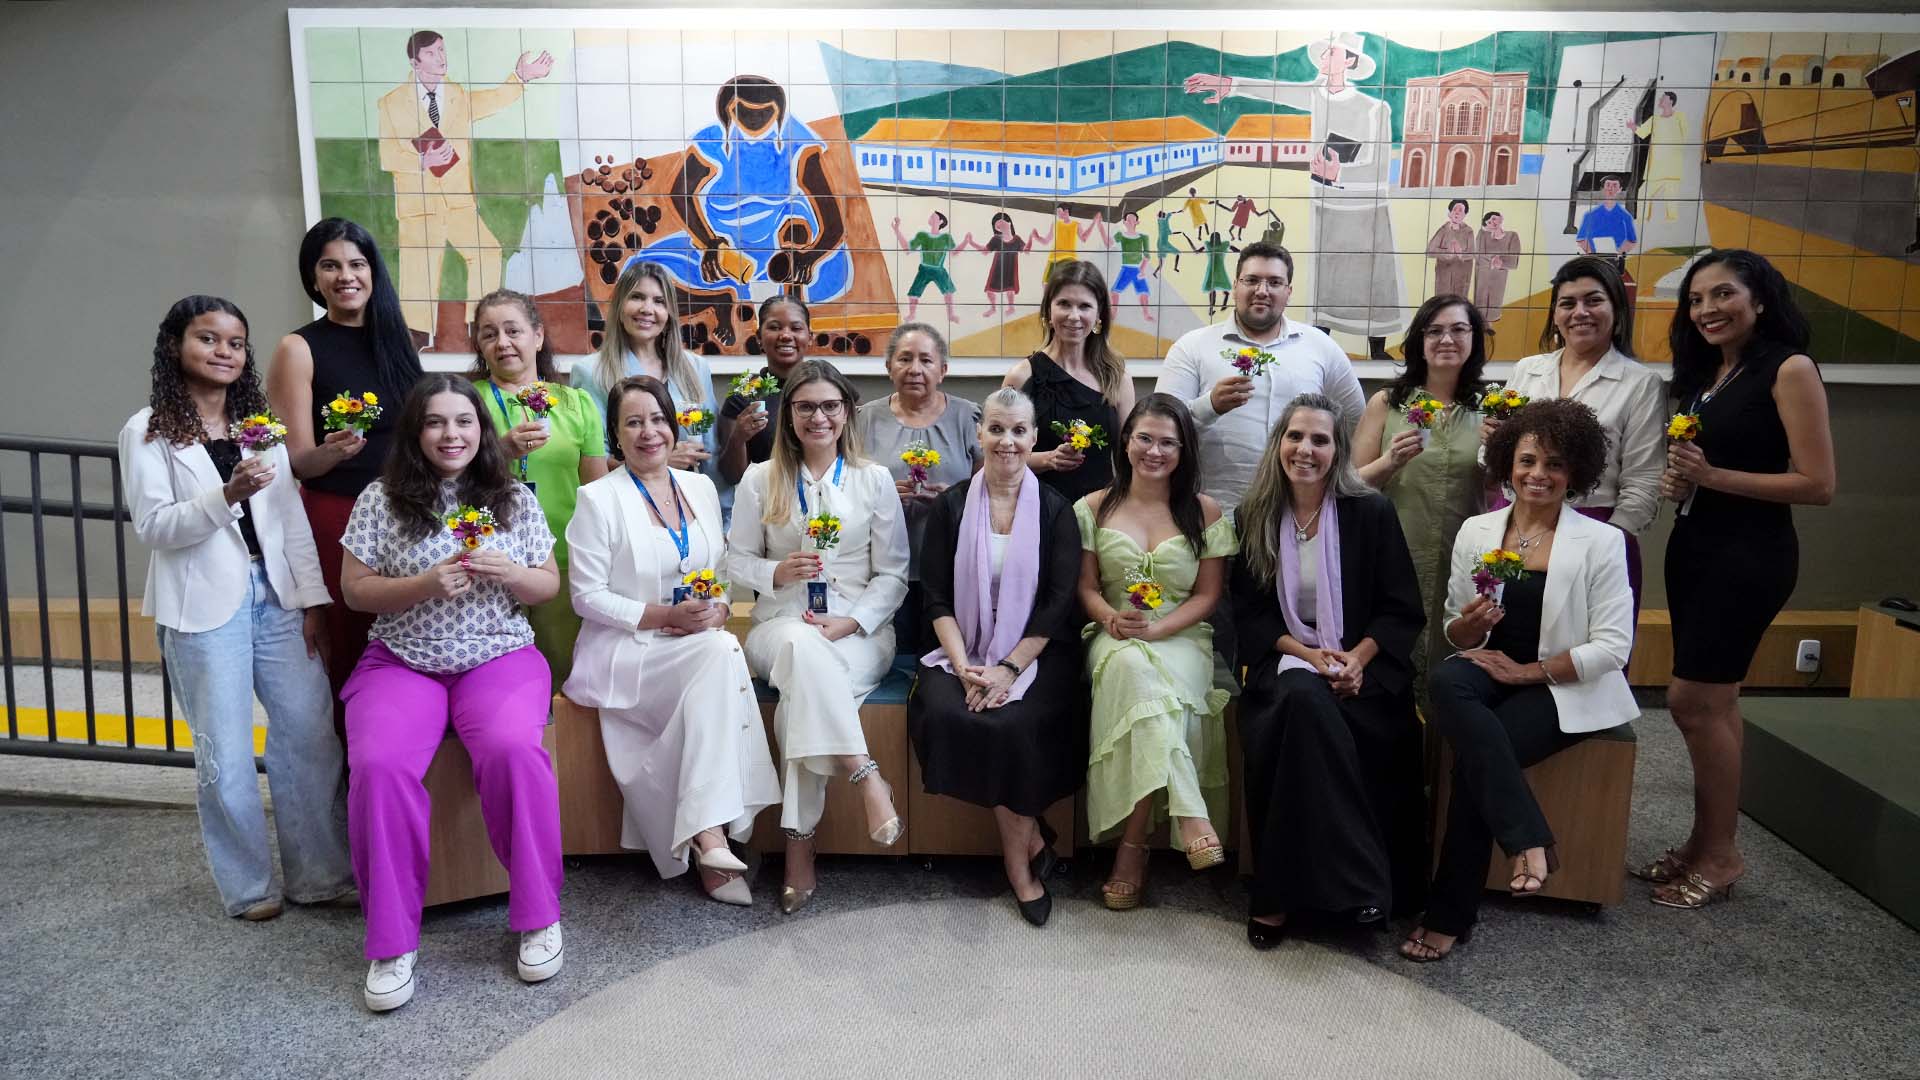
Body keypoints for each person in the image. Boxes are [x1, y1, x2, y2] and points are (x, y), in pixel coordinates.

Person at [120, 295, 354, 922]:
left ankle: (321, 876)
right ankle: (250, 887)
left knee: (310, 734)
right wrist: (227, 495)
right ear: (176, 346)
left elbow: (290, 523)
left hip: (276, 596)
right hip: (203, 608)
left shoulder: (263, 429)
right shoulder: (148, 430)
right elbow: (154, 527)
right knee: (222, 748)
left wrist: (312, 602)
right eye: (208, 339)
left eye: (235, 343)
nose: (224, 352)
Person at [338, 375, 565, 1011]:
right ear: (416, 432)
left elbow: (546, 585)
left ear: (481, 430)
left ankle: (539, 914)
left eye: (463, 421)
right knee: (379, 765)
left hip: (497, 652)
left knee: (513, 750)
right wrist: (423, 585)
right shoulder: (380, 500)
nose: (451, 434)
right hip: (402, 658)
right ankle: (390, 942)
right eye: (436, 422)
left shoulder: (512, 498)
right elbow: (356, 590)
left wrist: (512, 573)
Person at [1402, 398, 1637, 961]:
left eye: (1555, 464)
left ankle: (1449, 914)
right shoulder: (1477, 531)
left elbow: (1613, 647)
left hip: (1563, 686)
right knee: (1446, 681)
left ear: (1575, 472)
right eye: (1528, 460)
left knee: (1479, 757)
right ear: (1507, 463)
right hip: (1488, 671)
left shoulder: (1602, 543)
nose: (1539, 474)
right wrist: (1468, 626)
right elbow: (1457, 633)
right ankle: (1528, 835)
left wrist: (1529, 671)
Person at [1644, 250, 1834, 910]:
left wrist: (1711, 477)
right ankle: (1703, 843)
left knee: (1692, 702)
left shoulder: (1788, 368)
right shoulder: (1708, 378)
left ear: (1760, 299)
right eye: (1696, 300)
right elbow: (1707, 465)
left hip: (1748, 556)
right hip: (1697, 546)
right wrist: (1683, 480)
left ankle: (1722, 854)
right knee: (1714, 705)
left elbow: (1818, 484)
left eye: (1723, 295)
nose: (1707, 310)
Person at [563, 376, 780, 906]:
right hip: (627, 648)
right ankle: (714, 835)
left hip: (693, 643)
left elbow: (722, 571)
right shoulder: (597, 498)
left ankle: (707, 838)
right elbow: (586, 597)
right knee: (724, 654)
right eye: (633, 422)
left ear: (673, 424)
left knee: (721, 648)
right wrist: (665, 616)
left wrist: (722, 607)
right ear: (615, 434)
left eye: (657, 419)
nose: (648, 432)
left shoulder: (701, 488)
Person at [1231, 394, 1426, 949]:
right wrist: (1312, 656)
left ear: (1337, 450)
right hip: (1288, 660)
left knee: (1314, 719)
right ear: (1278, 445)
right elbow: (1250, 614)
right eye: (1295, 437)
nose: (1306, 449)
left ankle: (1276, 897)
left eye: (1320, 439)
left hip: (1365, 666)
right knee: (1303, 701)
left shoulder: (1370, 511)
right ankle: (1361, 882)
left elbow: (1399, 607)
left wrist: (1357, 661)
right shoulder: (1255, 515)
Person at [725, 361, 910, 914]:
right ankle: (863, 770)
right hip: (779, 627)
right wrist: (774, 574)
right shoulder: (761, 478)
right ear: (790, 415)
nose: (819, 417)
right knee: (804, 653)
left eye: (830, 405)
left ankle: (797, 848)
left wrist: (853, 622)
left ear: (847, 411)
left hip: (859, 630)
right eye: (805, 406)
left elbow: (894, 573)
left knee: (802, 694)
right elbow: (735, 562)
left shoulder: (873, 479)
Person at [909, 387, 1087, 927]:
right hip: (960, 644)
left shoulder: (1057, 511)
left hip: (1038, 653)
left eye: (1018, 431)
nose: (1006, 441)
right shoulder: (952, 504)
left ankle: (1017, 860)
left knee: (1013, 722)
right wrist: (965, 666)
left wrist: (1009, 667)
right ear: (979, 435)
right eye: (995, 429)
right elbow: (935, 595)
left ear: (1034, 438)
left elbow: (1058, 606)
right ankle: (1029, 838)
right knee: (949, 711)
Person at [1075, 395, 1237, 910]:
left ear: (1184, 450)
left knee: (1152, 692)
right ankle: (1191, 815)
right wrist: (1109, 619)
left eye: (1169, 442)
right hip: (1115, 633)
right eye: (1145, 438)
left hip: (1182, 637)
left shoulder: (1204, 511)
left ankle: (1132, 847)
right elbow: (1086, 588)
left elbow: (1209, 596)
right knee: (1134, 674)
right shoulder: (1094, 506)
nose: (1155, 450)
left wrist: (1162, 627)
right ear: (1126, 442)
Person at [267, 218, 423, 719]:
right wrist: (332, 452)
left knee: (412, 633)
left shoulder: (400, 343)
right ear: (313, 279)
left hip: (405, 513)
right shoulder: (298, 348)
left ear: (373, 272)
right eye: (329, 265)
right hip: (339, 514)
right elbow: (297, 461)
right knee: (349, 640)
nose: (345, 275)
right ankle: (351, 775)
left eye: (357, 264)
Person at [1185, 32, 1409, 359]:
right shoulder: (1316, 97)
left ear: (1350, 61)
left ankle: (1376, 350)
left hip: (1367, 210)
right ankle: (1322, 348)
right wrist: (1230, 83)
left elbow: (1379, 166)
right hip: (1327, 206)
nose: (1324, 59)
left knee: (1370, 284)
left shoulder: (1375, 109)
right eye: (1324, 53)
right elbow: (1275, 90)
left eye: (1332, 53)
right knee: (1327, 285)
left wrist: (1340, 173)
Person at [1495, 255, 1664, 621]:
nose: (1580, 312)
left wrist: (1605, 546)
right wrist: (1492, 444)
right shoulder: (1527, 371)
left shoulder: (1640, 384)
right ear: (1555, 315)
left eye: (1594, 300)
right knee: (1502, 642)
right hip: (1514, 528)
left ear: (1617, 310)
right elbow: (1494, 460)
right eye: (1568, 303)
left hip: (1597, 531)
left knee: (1583, 659)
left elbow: (1644, 482)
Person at [1155, 241, 1365, 515]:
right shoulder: (1192, 347)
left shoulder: (1320, 346)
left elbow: (1358, 423)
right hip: (1214, 515)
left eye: (1275, 282)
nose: (1262, 291)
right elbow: (1159, 429)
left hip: (1297, 515)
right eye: (1251, 280)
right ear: (1235, 286)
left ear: (1289, 291)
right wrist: (1210, 406)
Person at [376, 30, 554, 343]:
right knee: (420, 270)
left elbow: (494, 99)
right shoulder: (391, 103)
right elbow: (388, 155)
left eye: (443, 50)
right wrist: (422, 161)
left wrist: (520, 77)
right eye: (432, 53)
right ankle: (415, 339)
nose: (441, 57)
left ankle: (480, 327)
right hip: (419, 205)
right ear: (415, 62)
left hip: (458, 203)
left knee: (487, 250)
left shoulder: (457, 95)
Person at [470, 289, 608, 687]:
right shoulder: (465, 402)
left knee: (565, 676)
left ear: (538, 336)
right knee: (497, 684)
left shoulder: (575, 403)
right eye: (489, 334)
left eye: (513, 330)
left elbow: (595, 491)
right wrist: (503, 450)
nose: (503, 343)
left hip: (563, 557)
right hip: (486, 562)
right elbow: (448, 480)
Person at [1353, 294, 1490, 683]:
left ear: (1474, 339)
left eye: (1459, 329)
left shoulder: (1490, 407)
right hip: (1395, 550)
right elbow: (1350, 485)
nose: (1447, 339)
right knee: (1393, 658)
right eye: (1435, 331)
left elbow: (1507, 490)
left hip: (1462, 553)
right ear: (1420, 341)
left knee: (1455, 662)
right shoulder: (1388, 403)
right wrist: (1390, 462)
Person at [854, 323, 982, 653]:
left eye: (926, 360)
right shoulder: (863, 420)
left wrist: (953, 499)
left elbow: (990, 491)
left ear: (943, 370)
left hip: (951, 568)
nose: (915, 369)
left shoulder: (969, 418)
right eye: (904, 359)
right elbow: (847, 491)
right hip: (880, 571)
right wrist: (881, 496)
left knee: (944, 660)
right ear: (888, 367)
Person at [572, 260, 727, 516]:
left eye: (659, 301)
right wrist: (662, 461)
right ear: (620, 307)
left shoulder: (696, 368)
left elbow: (712, 451)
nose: (647, 309)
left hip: (691, 506)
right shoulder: (591, 372)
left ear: (669, 314)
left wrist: (721, 514)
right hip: (629, 508)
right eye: (637, 297)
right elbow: (595, 459)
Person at [1003, 260, 1135, 505]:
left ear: (1099, 315)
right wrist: (1047, 459)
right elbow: (1001, 454)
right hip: (1037, 510)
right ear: (1048, 311)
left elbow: (1130, 457)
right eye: (1064, 304)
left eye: (1085, 306)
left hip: (1100, 513)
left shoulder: (1119, 379)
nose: (1074, 316)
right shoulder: (1021, 376)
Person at [717, 295, 815, 485]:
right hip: (768, 504)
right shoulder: (744, 394)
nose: (786, 335)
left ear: (810, 337)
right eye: (774, 327)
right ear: (759, 338)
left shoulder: (830, 388)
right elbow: (731, 477)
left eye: (796, 328)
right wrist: (738, 437)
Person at [894, 211, 960, 323]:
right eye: (931, 216)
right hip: (924, 269)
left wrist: (966, 242)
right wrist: (896, 230)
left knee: (948, 291)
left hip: (939, 269)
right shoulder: (922, 235)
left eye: (934, 216)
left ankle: (951, 315)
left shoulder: (946, 237)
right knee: (913, 293)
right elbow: (907, 249)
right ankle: (911, 314)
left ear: (941, 221)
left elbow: (955, 252)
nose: (931, 217)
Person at [960, 210, 1025, 318]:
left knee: (1010, 290)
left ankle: (1011, 307)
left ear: (1009, 223)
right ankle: (993, 308)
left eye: (1001, 223)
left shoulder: (1017, 239)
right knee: (990, 290)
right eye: (997, 226)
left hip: (1010, 269)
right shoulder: (996, 239)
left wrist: (1033, 238)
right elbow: (985, 251)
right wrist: (971, 242)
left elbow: (1025, 249)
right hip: (997, 270)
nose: (999, 227)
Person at [1473, 212, 1521, 332]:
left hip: (1499, 275)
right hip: (1483, 273)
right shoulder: (1483, 235)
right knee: (1480, 296)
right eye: (1489, 222)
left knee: (1495, 297)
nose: (1492, 223)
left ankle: (1489, 324)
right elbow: (1478, 254)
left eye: (1494, 219)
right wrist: (1492, 259)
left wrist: (1501, 263)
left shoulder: (1512, 236)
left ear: (1501, 218)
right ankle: (1480, 323)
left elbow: (1514, 259)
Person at [1575, 176, 1638, 258]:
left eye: (1615, 185)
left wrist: (1619, 253)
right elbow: (1581, 239)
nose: (1611, 189)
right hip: (1593, 259)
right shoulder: (1589, 215)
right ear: (1602, 189)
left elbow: (1632, 241)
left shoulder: (1626, 217)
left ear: (1620, 189)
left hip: (1616, 259)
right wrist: (1591, 253)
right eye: (1608, 185)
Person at [1427, 199, 1475, 299]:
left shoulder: (1468, 231)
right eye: (1454, 210)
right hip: (1443, 276)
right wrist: (1447, 252)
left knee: (1458, 303)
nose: (1457, 212)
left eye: (1460, 210)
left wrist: (1460, 252)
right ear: (1449, 213)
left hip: (1461, 277)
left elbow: (1472, 253)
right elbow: (1430, 250)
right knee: (1442, 303)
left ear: (1465, 214)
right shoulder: (1443, 230)